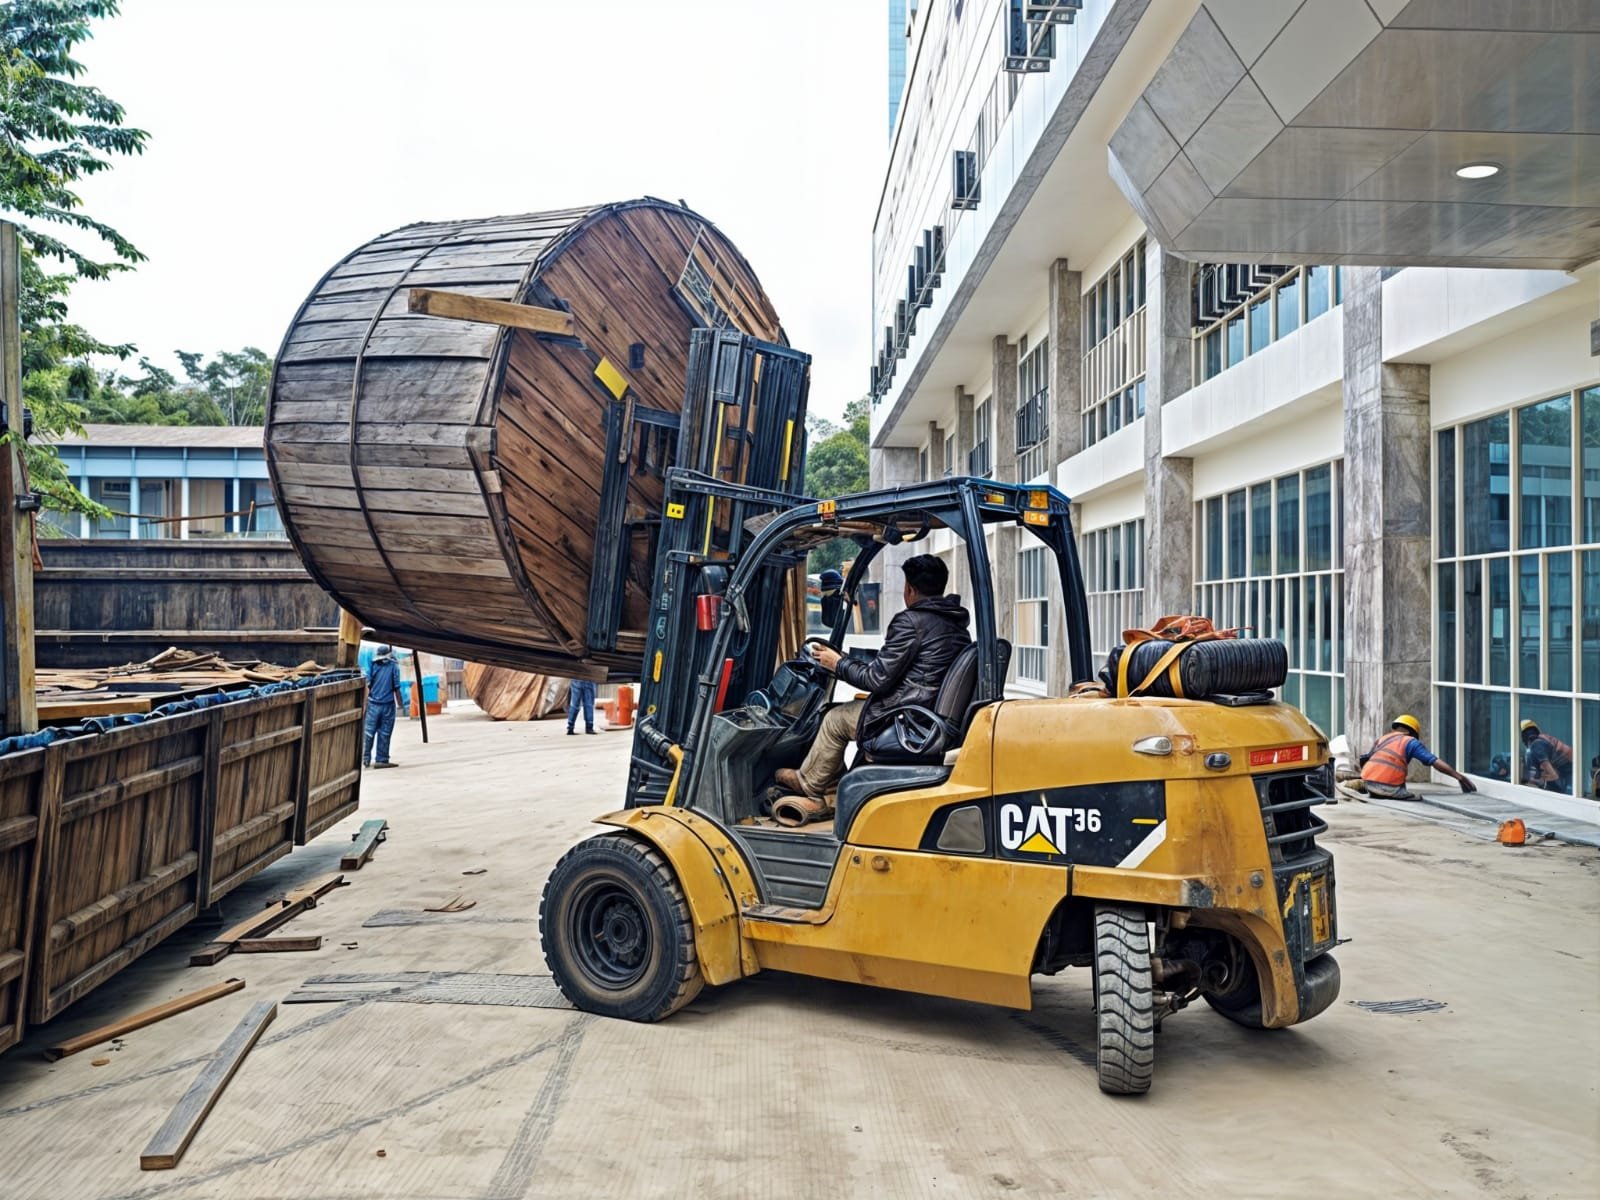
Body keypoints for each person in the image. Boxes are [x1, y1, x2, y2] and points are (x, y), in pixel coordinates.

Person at [776, 554, 970, 804]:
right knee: (837, 712)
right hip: (926, 714)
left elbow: (877, 679)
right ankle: (834, 787)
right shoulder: (954, 625)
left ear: (909, 589)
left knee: (833, 718)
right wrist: (846, 661)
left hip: (907, 720)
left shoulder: (911, 621)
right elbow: (896, 669)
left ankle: (810, 784)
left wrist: (838, 663)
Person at [1359, 714, 1475, 799]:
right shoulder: (1410, 742)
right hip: (1389, 788)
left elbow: (1368, 760)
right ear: (1413, 732)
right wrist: (1459, 777)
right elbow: (1434, 761)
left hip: (1369, 784)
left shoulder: (1382, 739)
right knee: (1417, 798)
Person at [362, 645, 401, 769]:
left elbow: (368, 685)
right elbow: (397, 688)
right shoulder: (394, 666)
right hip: (388, 705)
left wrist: (365, 703)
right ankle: (382, 759)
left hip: (373, 704)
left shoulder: (373, 666)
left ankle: (366, 758)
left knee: (369, 733)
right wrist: (401, 704)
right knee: (385, 733)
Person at [1520, 720, 1573, 792]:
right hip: (1568, 766)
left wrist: (1539, 779)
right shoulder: (1542, 739)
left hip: (1568, 769)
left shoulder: (1536, 745)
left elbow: (1554, 775)